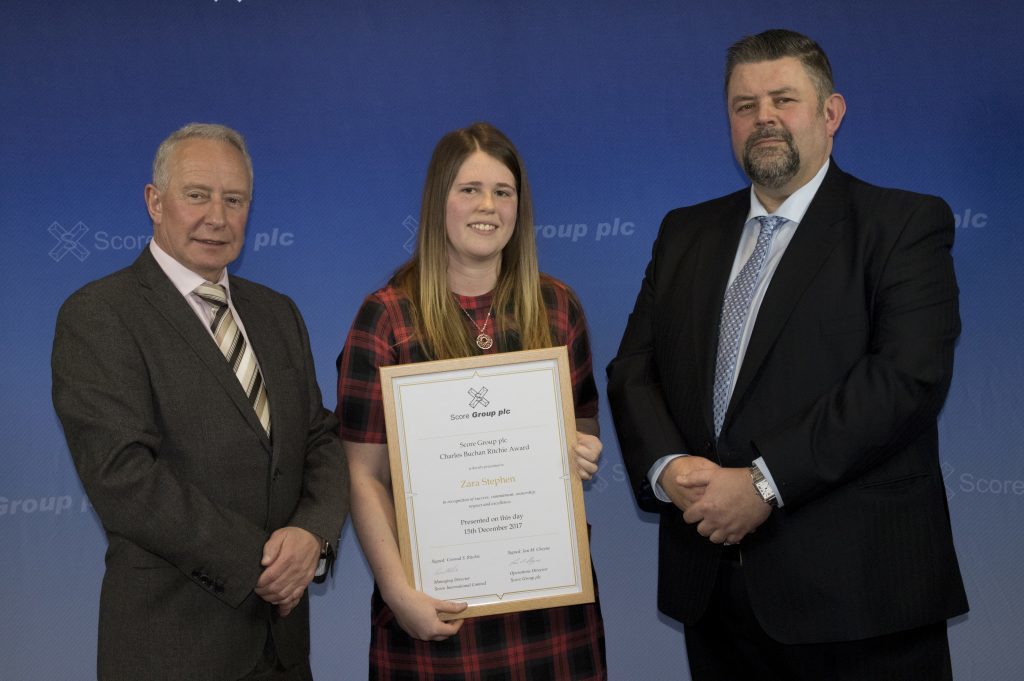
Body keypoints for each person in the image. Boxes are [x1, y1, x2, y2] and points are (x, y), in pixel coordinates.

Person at [607, 29, 968, 680]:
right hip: (715, 596)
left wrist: (764, 482)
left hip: (863, 603)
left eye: (783, 99)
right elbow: (634, 367)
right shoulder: (683, 232)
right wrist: (668, 468)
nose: (763, 117)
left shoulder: (903, 225)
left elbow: (903, 380)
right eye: (744, 105)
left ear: (831, 114)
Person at [51, 123, 349, 681]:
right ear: (154, 201)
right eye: (197, 194)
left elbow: (319, 439)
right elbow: (124, 479)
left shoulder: (277, 313)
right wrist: (258, 563)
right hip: (171, 651)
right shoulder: (99, 314)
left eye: (234, 199)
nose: (217, 215)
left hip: (282, 651)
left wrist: (313, 533)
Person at [337, 122, 607, 679]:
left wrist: (581, 451)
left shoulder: (558, 307)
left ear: (519, 207)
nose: (488, 206)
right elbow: (362, 475)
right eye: (469, 189)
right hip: (432, 609)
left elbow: (583, 427)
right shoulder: (386, 317)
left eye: (503, 192)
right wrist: (396, 591)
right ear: (439, 201)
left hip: (549, 611)